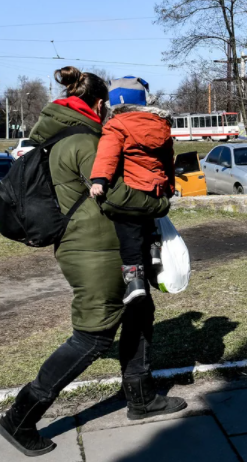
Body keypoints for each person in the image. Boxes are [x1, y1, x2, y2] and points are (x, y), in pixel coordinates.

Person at [0, 67, 186, 458]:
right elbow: (116, 197)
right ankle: (21, 416)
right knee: (93, 336)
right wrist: (161, 203)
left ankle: (141, 396)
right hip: (93, 252)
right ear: (100, 104)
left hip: (107, 247)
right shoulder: (83, 140)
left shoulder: (64, 134)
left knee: (139, 311)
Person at [88, 76, 173, 304]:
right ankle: (155, 250)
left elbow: (108, 154)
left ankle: (134, 282)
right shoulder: (161, 125)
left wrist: (99, 180)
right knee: (149, 220)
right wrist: (169, 187)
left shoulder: (116, 125)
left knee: (128, 232)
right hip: (155, 191)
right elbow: (168, 161)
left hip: (132, 188)